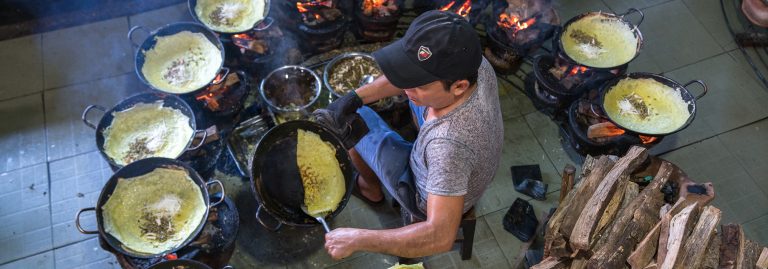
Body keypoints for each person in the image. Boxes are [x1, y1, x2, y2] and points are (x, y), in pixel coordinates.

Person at [314, 10, 503, 260]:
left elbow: (439, 236)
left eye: (419, 85)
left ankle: (370, 188)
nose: (405, 88)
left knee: (354, 122)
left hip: (422, 192)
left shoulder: (449, 146)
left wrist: (357, 238)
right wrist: (355, 97)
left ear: (459, 86)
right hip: (456, 155)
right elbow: (408, 77)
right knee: (357, 108)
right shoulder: (472, 61)